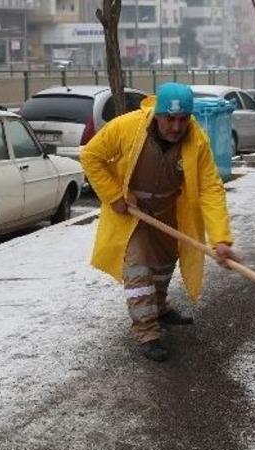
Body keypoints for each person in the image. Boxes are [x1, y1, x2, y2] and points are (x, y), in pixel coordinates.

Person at [80, 82, 239, 362]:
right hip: (132, 213)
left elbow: (210, 188)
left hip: (168, 210)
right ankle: (147, 331)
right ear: (157, 115)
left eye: (183, 119)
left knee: (164, 266)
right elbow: (91, 156)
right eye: (170, 118)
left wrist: (221, 239)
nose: (176, 127)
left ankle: (160, 308)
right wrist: (114, 195)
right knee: (139, 270)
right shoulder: (127, 127)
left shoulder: (196, 140)